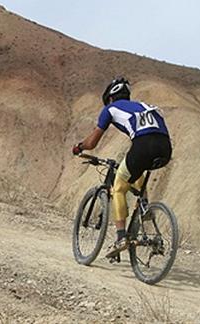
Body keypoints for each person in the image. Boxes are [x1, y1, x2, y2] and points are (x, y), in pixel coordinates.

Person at [72, 77, 172, 257]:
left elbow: (92, 142)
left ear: (110, 98)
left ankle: (120, 238)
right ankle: (145, 207)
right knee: (137, 170)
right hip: (165, 147)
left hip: (143, 146)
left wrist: (79, 147)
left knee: (118, 187)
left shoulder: (109, 109)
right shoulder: (143, 105)